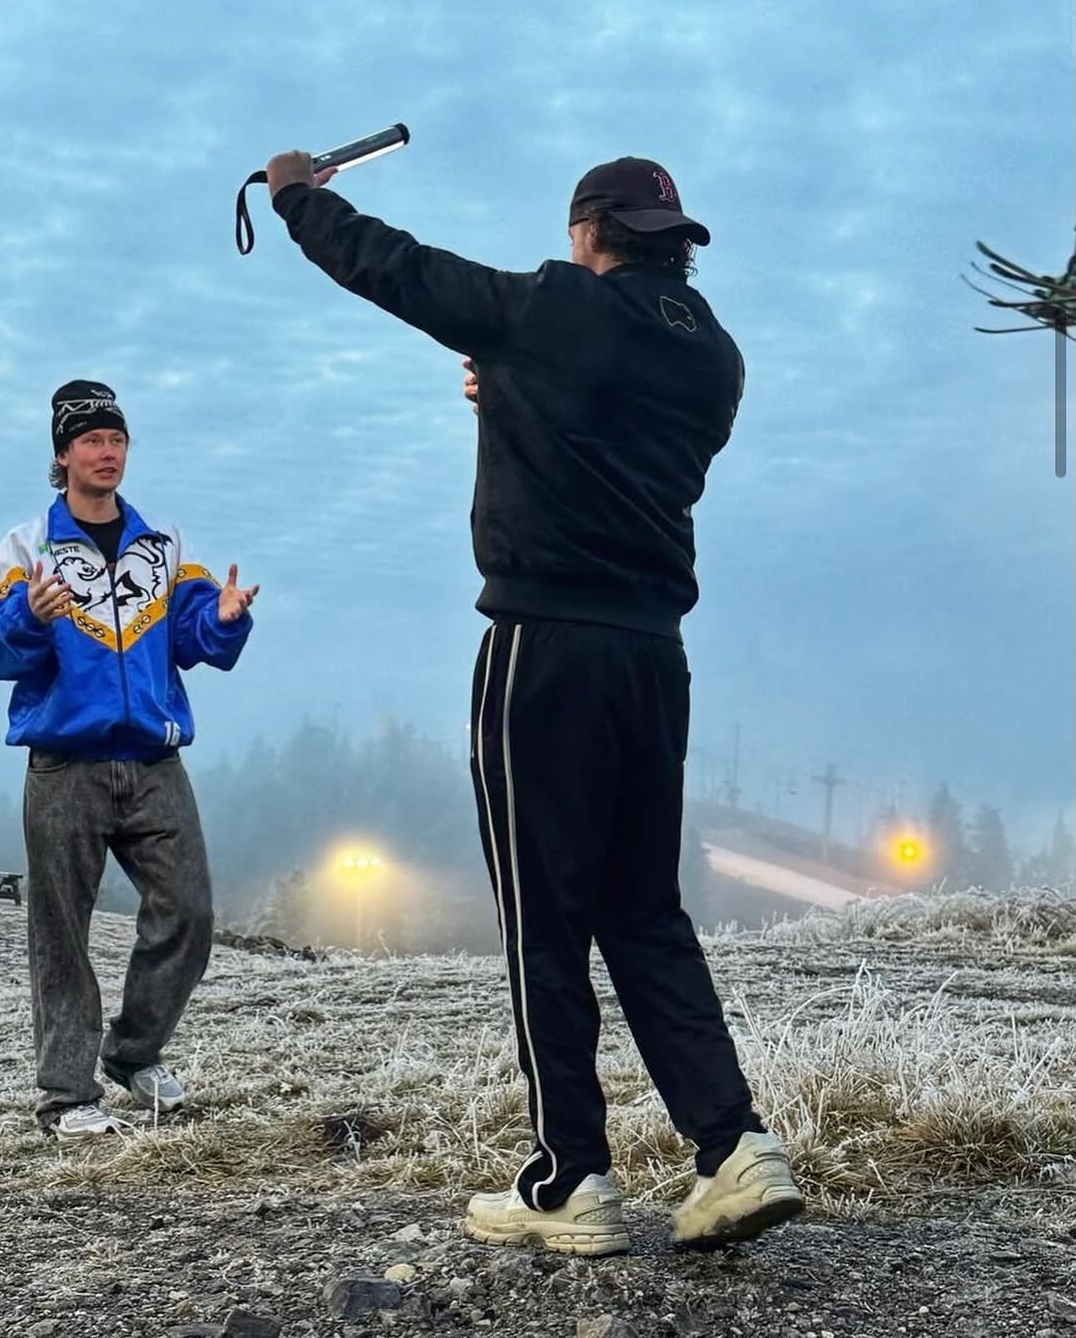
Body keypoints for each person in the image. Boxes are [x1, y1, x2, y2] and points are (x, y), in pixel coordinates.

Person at [261, 151, 803, 1253]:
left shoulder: (555, 307)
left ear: (585, 230)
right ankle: (732, 1147)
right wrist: (509, 380)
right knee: (643, 909)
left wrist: (295, 196)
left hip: (544, 644)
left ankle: (571, 1182)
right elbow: (604, 421)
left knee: (542, 919)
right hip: (653, 653)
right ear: (674, 239)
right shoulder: (717, 362)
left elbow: (399, 270)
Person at [0, 379, 258, 1137]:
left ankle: (133, 1052)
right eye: (91, 439)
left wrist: (223, 620)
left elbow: (195, 640)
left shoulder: (165, 547)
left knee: (188, 911)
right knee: (61, 931)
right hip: (64, 765)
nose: (107, 451)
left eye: (117, 438)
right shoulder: (24, 547)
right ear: (62, 455)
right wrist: (27, 613)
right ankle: (67, 1095)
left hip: (156, 763)